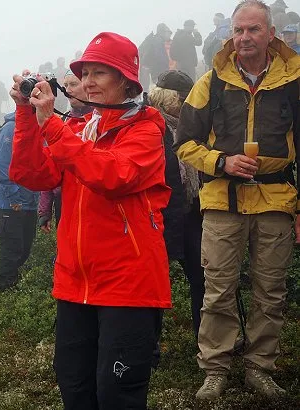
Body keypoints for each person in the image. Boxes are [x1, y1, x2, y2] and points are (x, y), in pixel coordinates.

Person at [9, 32, 172, 409]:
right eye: (85, 73)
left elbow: (110, 176)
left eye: (101, 72)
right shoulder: (83, 130)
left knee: (118, 394)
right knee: (74, 386)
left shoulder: (145, 131)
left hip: (127, 286)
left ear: (127, 81)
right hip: (75, 282)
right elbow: (32, 174)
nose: (88, 82)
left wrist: (50, 123)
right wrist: (25, 113)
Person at [174, 0, 300, 399]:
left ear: (270, 34)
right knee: (218, 288)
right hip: (222, 200)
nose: (244, 38)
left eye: (253, 30)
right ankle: (215, 368)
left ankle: (260, 368)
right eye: (238, 30)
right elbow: (184, 144)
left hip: (278, 199)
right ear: (231, 34)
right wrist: (221, 162)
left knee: (271, 290)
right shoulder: (209, 82)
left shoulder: (295, 81)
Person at [149, 70, 204, 338]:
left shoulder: (192, 129)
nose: (186, 104)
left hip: (190, 213)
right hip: (159, 216)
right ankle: (149, 346)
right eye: (182, 99)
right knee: (153, 283)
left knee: (202, 277)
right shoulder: (150, 128)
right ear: (166, 99)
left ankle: (205, 338)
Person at [38, 69, 93, 233]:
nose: (68, 89)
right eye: (66, 85)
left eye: (74, 84)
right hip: (64, 199)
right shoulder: (62, 121)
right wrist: (44, 210)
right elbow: (50, 165)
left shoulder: (102, 120)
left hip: (95, 198)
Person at [0, 109, 39, 291]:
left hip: (30, 202)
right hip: (11, 205)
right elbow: (4, 166)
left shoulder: (37, 126)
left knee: (24, 249)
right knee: (11, 251)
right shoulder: (11, 128)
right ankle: (5, 291)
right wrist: (14, 198)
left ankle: (14, 289)